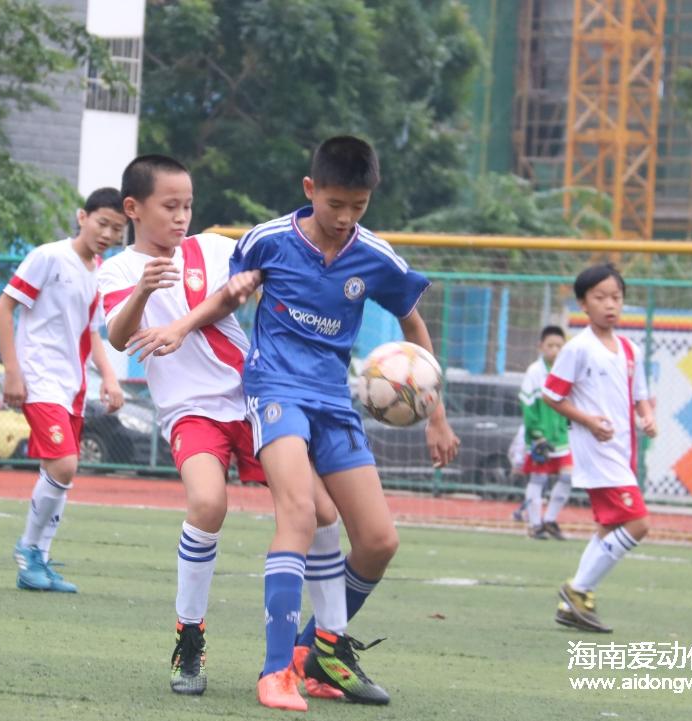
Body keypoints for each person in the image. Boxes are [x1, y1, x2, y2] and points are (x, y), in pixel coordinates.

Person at [128, 136, 460, 710]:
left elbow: (413, 325)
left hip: (333, 399)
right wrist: (183, 326)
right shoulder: (269, 240)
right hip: (275, 390)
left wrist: (437, 413)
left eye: (358, 206)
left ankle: (319, 651)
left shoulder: (375, 257)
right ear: (311, 191)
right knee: (301, 513)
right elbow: (231, 297)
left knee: (380, 541)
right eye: (336, 204)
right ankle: (276, 669)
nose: (345, 218)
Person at [100, 155, 344, 698]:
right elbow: (118, 338)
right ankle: (190, 635)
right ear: (134, 209)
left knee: (323, 511)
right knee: (207, 504)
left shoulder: (212, 248)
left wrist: (217, 305)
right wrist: (143, 291)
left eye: (187, 205)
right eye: (170, 206)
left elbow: (246, 285)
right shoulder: (117, 271)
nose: (182, 216)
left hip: (254, 399)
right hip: (191, 411)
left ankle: (326, 648)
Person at [0, 188, 126, 593]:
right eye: (102, 223)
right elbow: (3, 308)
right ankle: (27, 550)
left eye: (118, 228)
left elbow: (92, 332)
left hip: (72, 386)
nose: (108, 233)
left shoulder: (97, 270)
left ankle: (40, 562)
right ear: (81, 216)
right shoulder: (49, 256)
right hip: (39, 379)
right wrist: (12, 372)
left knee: (60, 473)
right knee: (65, 464)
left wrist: (109, 377)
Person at [542, 264, 657, 633]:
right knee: (638, 523)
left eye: (616, 297)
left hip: (623, 450)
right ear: (583, 303)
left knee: (610, 527)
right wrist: (589, 421)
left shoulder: (629, 349)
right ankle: (578, 589)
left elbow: (641, 395)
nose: (610, 304)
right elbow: (552, 394)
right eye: (600, 297)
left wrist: (648, 416)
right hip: (597, 450)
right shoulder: (578, 349)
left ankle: (571, 604)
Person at [518, 325, 572, 540]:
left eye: (559, 346)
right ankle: (534, 524)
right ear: (541, 346)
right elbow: (527, 405)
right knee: (538, 480)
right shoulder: (534, 372)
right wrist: (537, 434)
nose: (555, 350)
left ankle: (550, 520)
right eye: (550, 345)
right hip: (540, 437)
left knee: (568, 477)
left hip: (562, 437)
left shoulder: (566, 371)